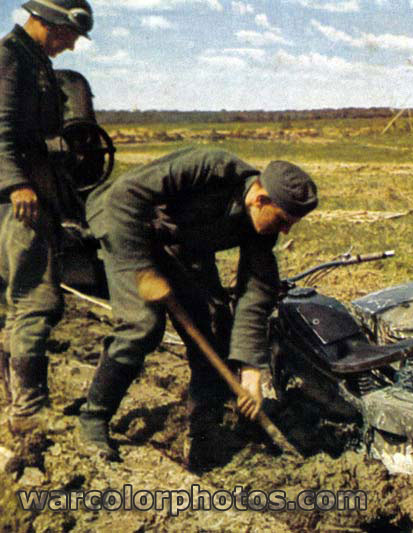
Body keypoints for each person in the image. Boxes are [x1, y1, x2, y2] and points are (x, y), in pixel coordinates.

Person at [79, 146, 318, 465]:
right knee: (143, 325)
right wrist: (144, 268)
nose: (286, 231)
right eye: (283, 220)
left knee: (215, 328)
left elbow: (255, 294)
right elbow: (126, 195)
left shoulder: (262, 229)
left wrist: (250, 370)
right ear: (260, 199)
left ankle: (203, 437)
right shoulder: (211, 167)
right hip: (128, 227)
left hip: (182, 250)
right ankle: (93, 420)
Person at [0, 0, 93, 433]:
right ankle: (28, 411)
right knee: (35, 297)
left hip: (31, 189)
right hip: (18, 198)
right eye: (69, 34)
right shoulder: (10, 57)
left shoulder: (32, 59)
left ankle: (14, 401)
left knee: (14, 298)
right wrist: (16, 183)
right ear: (49, 22)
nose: (71, 45)